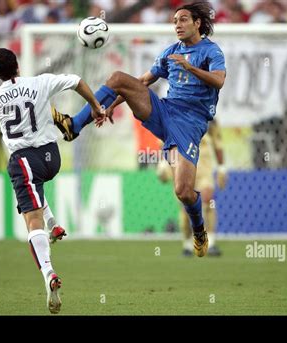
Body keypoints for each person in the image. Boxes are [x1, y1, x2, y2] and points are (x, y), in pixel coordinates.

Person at [53, 1, 226, 257]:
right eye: (175, 21)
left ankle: (199, 231)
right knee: (119, 79)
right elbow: (143, 81)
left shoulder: (211, 52)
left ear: (198, 23)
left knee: (184, 192)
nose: (177, 25)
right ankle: (74, 125)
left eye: (183, 20)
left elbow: (219, 81)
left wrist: (190, 67)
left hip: (190, 124)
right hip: (165, 111)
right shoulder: (171, 52)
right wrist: (110, 105)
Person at [0, 48, 103, 313]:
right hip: (51, 157)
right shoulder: (40, 82)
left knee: (31, 221)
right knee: (35, 191)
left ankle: (49, 274)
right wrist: (96, 106)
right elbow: (76, 81)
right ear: (18, 64)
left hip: (23, 160)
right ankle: (54, 223)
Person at [157, 120, 227, 256]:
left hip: (204, 166)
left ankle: (211, 242)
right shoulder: (172, 114)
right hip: (182, 167)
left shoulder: (209, 116)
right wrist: (163, 165)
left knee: (208, 201)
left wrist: (221, 168)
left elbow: (217, 143)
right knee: (185, 208)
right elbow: (165, 142)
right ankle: (188, 244)